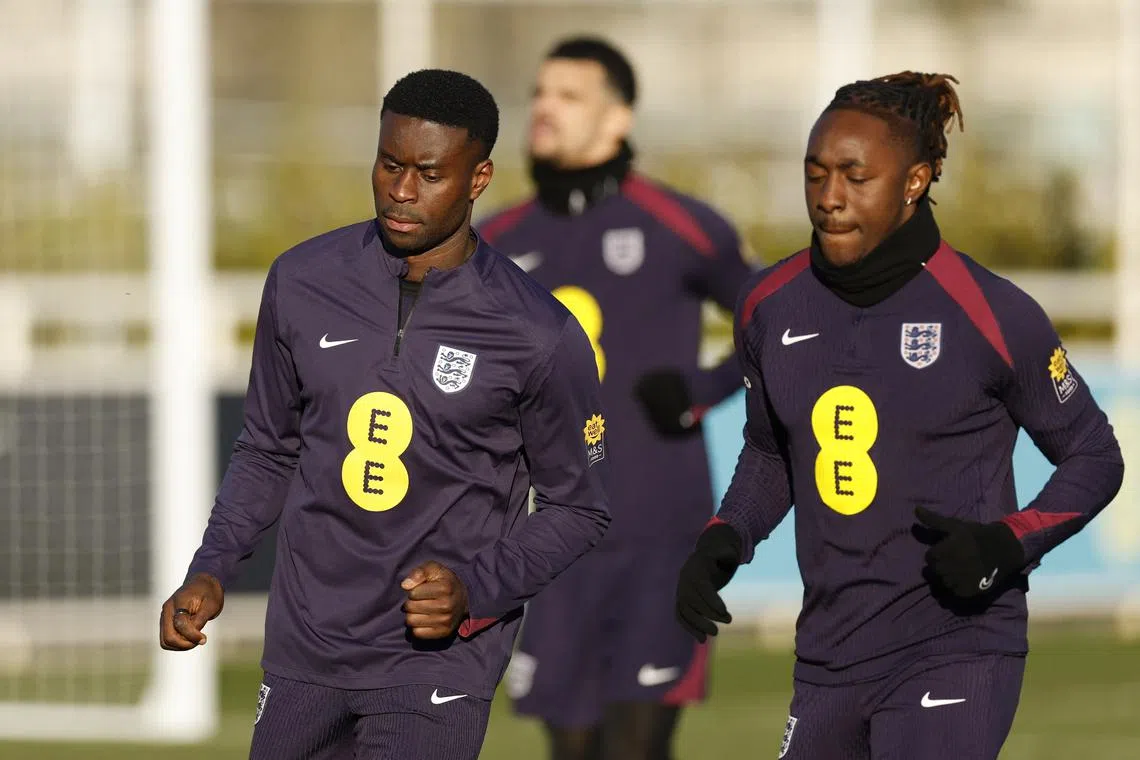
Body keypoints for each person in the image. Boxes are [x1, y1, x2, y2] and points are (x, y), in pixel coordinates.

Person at [157, 68, 611, 760]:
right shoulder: (301, 281)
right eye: (389, 163)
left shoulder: (536, 333)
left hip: (433, 665)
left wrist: (475, 589)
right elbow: (268, 449)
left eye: (428, 173)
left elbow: (578, 509)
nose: (401, 190)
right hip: (306, 649)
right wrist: (213, 565)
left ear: (478, 177)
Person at [674, 71, 1124, 760]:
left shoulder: (992, 313)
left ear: (915, 182)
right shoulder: (769, 304)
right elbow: (770, 454)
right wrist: (723, 539)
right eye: (815, 173)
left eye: (856, 177)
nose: (829, 198)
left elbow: (1095, 455)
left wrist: (1007, 543)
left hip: (958, 647)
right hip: (827, 658)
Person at [478, 37, 753, 760]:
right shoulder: (494, 242)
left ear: (617, 119)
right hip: (545, 544)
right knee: (572, 752)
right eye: (540, 93)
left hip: (660, 535)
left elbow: (780, 325)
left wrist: (702, 391)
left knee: (636, 751)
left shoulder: (681, 226)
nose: (544, 109)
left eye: (568, 96)